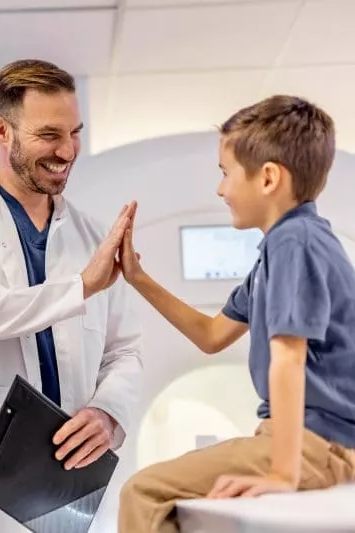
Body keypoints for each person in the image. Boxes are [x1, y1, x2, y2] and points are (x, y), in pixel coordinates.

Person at [0, 59, 143, 532]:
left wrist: (107, 411)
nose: (67, 150)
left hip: (67, 486)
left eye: (75, 132)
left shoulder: (90, 235)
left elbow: (125, 350)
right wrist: (80, 287)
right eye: (49, 134)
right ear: (3, 130)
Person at [117, 95, 355, 532]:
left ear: (267, 178)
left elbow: (289, 357)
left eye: (225, 174)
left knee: (143, 491)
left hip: (320, 445)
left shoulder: (295, 242)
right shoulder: (276, 254)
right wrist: (138, 278)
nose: (220, 189)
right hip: (307, 442)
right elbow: (211, 335)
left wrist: (282, 474)